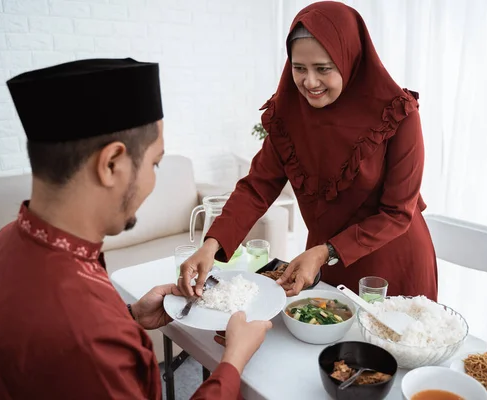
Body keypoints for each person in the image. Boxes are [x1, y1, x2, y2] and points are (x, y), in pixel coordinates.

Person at [0, 58, 271, 399]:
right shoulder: (88, 335)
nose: (154, 179)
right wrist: (232, 362)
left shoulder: (6, 241)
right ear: (111, 164)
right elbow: (79, 341)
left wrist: (129, 317)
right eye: (155, 163)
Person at [179, 2, 438, 302]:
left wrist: (326, 251)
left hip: (391, 265)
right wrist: (211, 245)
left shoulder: (397, 115)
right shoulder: (288, 116)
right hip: (323, 261)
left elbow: (396, 214)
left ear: (349, 59)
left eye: (323, 69)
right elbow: (257, 187)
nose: (309, 82)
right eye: (298, 68)